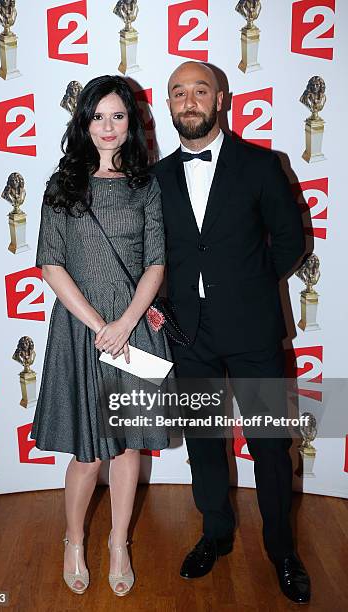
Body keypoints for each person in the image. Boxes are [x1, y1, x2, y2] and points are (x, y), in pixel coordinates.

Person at [151, 61, 311, 604]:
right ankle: (214, 534)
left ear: (221, 99)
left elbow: (292, 241)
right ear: (167, 105)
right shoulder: (155, 178)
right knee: (204, 442)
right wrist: (159, 310)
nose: (189, 101)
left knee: (269, 444)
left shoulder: (262, 166)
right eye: (179, 93)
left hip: (253, 330)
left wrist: (248, 287)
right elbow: (150, 255)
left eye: (200, 91)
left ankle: (282, 550)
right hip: (188, 334)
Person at [30, 75, 172, 597]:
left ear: (131, 122)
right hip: (80, 331)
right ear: (83, 122)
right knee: (88, 454)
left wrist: (127, 322)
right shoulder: (62, 184)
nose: (107, 127)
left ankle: (117, 544)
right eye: (97, 116)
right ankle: (73, 540)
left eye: (118, 116)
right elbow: (51, 264)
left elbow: (156, 261)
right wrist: (100, 327)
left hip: (134, 329)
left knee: (128, 448)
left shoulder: (146, 185)